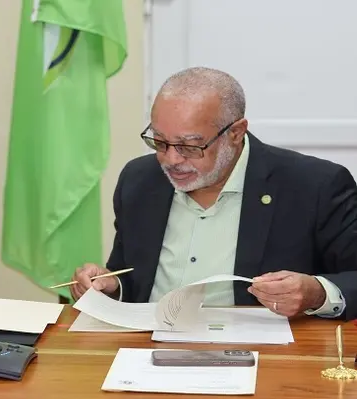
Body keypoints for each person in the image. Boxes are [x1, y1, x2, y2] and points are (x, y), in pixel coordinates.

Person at [70, 67, 357, 320]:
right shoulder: (139, 179)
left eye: (189, 146)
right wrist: (110, 287)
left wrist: (318, 293)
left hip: (263, 357)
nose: (171, 159)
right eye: (159, 141)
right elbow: (131, 277)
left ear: (235, 133)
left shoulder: (314, 185)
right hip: (146, 351)